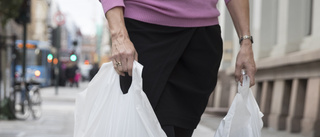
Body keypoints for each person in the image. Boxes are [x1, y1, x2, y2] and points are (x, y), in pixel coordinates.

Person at [99, 0, 256, 136]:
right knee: (146, 127)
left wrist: (246, 42)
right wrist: (118, 35)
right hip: (144, 35)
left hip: (201, 40)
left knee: (180, 130)